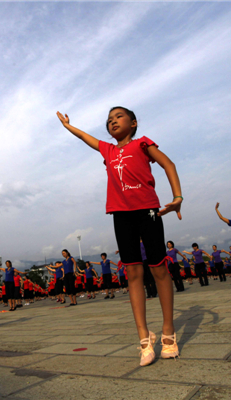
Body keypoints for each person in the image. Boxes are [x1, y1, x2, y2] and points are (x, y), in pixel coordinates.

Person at [57, 106, 182, 365]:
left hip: (147, 210)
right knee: (133, 272)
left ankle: (168, 332)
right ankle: (144, 338)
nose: (112, 121)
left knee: (159, 269)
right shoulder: (109, 150)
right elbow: (85, 138)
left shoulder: (143, 144)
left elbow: (168, 163)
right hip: (120, 214)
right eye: (109, 120)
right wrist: (69, 127)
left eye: (118, 117)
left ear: (133, 123)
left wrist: (177, 197)